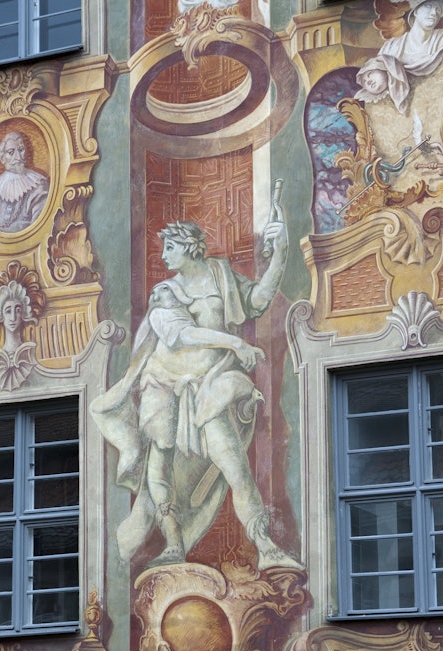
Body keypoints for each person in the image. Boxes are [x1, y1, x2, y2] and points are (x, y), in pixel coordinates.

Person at [90, 213, 301, 571]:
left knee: (233, 463)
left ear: (190, 247)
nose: (164, 257)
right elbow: (180, 336)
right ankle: (174, 545)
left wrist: (279, 252)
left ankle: (265, 545)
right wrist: (236, 343)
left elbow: (260, 299)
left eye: (170, 248)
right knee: (160, 466)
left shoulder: (221, 275)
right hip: (165, 385)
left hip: (211, 382)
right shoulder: (165, 293)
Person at [0, 131, 50, 233]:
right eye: (11, 152)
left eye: (21, 150)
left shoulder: (39, 186)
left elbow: (40, 228)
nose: (18, 157)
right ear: (2, 158)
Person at [378, 0, 443, 77]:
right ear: (416, 11)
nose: (434, 13)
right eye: (429, 6)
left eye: (438, 10)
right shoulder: (391, 46)